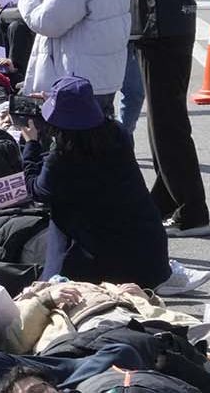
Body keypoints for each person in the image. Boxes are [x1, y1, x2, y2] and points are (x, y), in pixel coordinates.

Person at [91, 0, 210, 237]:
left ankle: (193, 212)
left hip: (164, 36)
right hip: (162, 35)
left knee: (168, 126)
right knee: (163, 124)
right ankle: (164, 200)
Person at [20, 75, 183, 292]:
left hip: (101, 271)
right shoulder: (117, 133)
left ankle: (54, 275)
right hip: (150, 258)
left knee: (62, 215)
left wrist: (31, 145)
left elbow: (36, 190)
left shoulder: (62, 157)